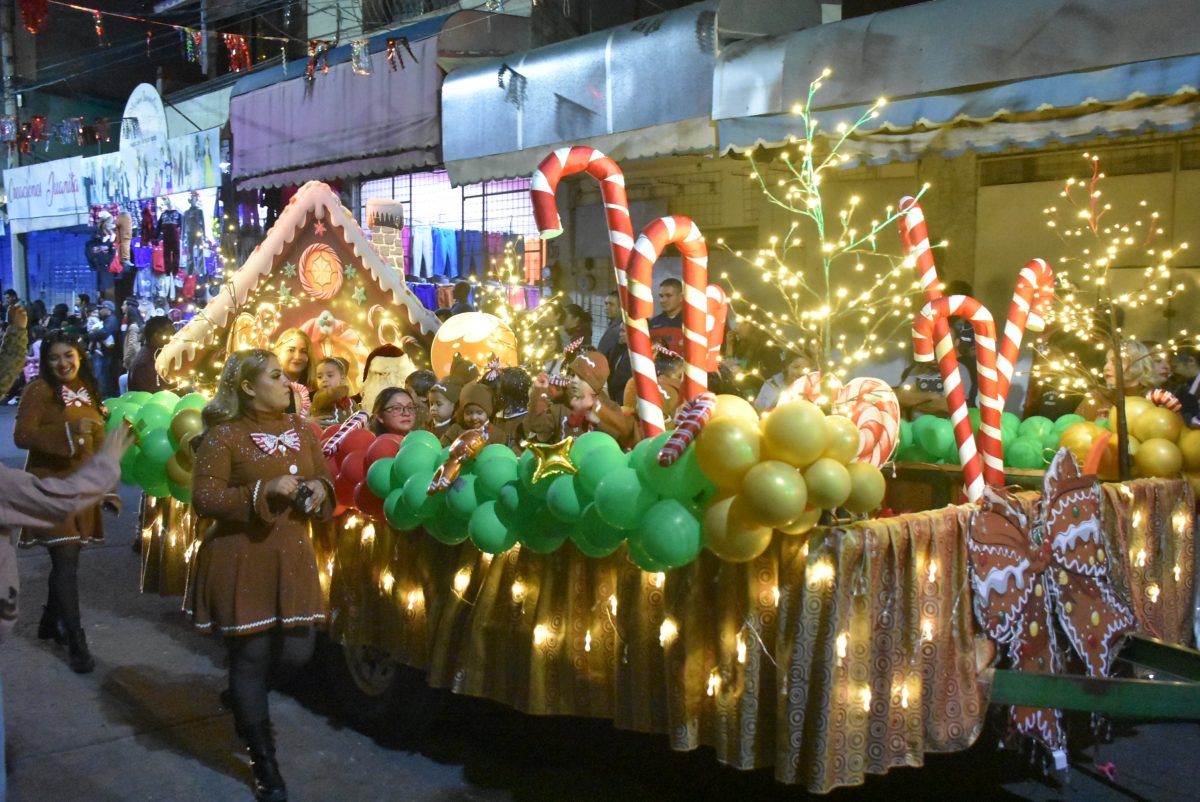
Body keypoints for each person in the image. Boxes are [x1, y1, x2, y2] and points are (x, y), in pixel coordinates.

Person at [187, 349, 333, 802]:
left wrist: (317, 491)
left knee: (297, 651)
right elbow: (205, 498)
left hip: (292, 556)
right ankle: (263, 759)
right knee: (250, 657)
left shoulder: (301, 431)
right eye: (275, 376)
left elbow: (325, 478)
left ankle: (244, 695)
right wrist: (261, 490)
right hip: (241, 558)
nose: (287, 382)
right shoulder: (223, 436)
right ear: (248, 387)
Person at [13, 330, 112, 673]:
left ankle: (47, 621)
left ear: (80, 356)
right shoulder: (39, 391)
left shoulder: (88, 390)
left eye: (68, 355)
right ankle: (77, 641)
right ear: (45, 362)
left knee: (67, 562)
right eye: (54, 357)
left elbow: (97, 442)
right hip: (49, 487)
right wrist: (69, 433)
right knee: (66, 559)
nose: (62, 363)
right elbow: (22, 436)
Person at [1075, 339, 1156, 421]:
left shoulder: (1154, 399)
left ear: (1137, 365)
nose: (1106, 367)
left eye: (1115, 361)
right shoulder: (1097, 398)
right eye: (1107, 361)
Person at [272, 328, 316, 414]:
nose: (297, 357)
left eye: (303, 351)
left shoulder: (316, 390)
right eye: (291, 350)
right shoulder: (268, 387)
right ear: (278, 353)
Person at [127, 315, 176, 393]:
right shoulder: (148, 361)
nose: (174, 337)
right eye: (171, 333)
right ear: (156, 336)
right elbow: (156, 395)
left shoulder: (156, 354)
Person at [86, 300, 121, 398]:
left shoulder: (112, 320)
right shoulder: (106, 319)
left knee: (104, 379)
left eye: (102, 308)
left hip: (108, 354)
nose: (99, 310)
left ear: (108, 309)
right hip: (105, 354)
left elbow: (104, 333)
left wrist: (90, 336)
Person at [648, 278, 685, 355]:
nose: (663, 300)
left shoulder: (691, 324)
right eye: (661, 296)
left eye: (668, 296)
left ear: (681, 297)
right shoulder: (653, 323)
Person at [596, 291, 623, 357]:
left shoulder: (619, 329)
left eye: (611, 304)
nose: (607, 307)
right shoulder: (612, 325)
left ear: (621, 307)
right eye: (606, 304)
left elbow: (602, 353)